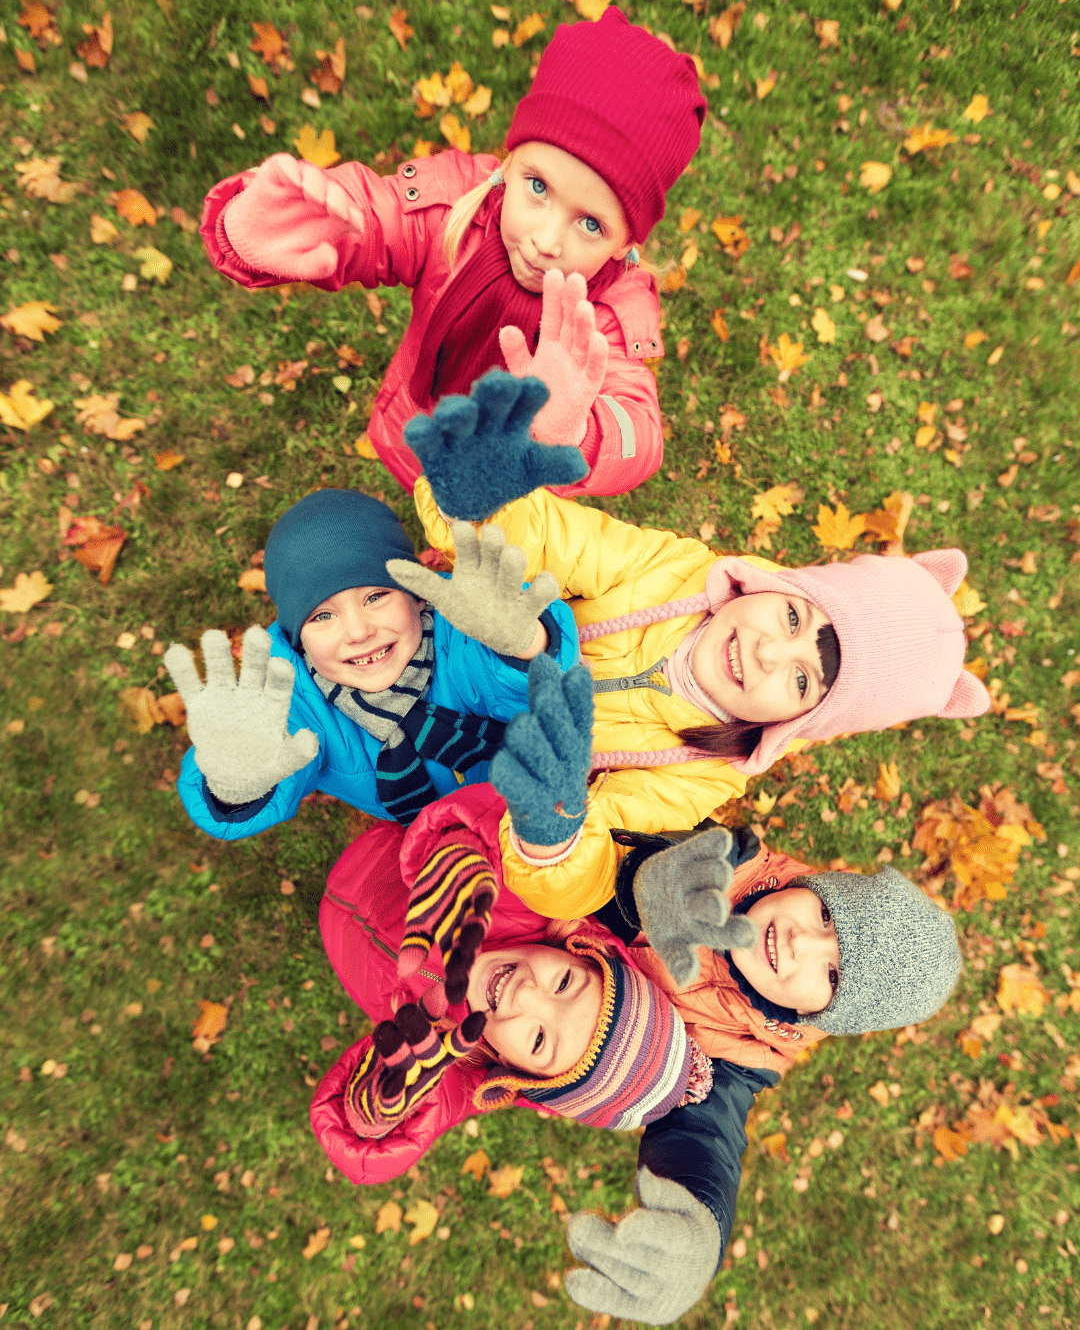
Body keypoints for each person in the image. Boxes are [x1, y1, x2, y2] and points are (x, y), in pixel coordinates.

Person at [311, 781, 961, 1324]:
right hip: (503, 917)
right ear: (817, 885)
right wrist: (644, 882)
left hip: (482, 1006)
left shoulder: (745, 1054)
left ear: (824, 1015)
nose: (799, 944)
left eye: (832, 975)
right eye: (826, 918)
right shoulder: (721, 856)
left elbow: (709, 1135)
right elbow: (603, 816)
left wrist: (698, 1225)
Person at [391, 368, 991, 916]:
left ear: (795, 724)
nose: (766, 653)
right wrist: (480, 498)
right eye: (791, 619)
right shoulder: (672, 571)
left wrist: (553, 832)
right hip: (433, 637)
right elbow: (554, 536)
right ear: (774, 585)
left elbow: (592, 873)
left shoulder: (703, 776)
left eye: (802, 680)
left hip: (449, 769)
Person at [198, 7, 706, 498]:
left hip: (509, 502)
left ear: (626, 243)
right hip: (412, 438)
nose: (547, 241)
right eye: (537, 187)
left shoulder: (612, 312)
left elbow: (639, 431)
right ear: (510, 162)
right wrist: (257, 232)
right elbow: (376, 218)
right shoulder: (457, 207)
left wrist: (574, 429)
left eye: (591, 224)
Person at [164, 487, 578, 840]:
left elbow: (532, 691)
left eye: (375, 597)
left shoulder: (463, 630)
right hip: (439, 842)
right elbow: (272, 754)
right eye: (322, 616)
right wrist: (233, 782)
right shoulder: (294, 704)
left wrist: (524, 642)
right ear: (299, 641)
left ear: (416, 595)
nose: (358, 631)